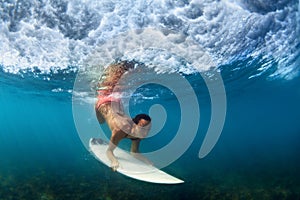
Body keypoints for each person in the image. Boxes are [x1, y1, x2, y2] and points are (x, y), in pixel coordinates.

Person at [95, 61, 152, 171]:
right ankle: (115, 68)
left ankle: (120, 70)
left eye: (148, 128)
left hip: (116, 101)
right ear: (134, 125)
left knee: (116, 84)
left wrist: (147, 162)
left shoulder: (138, 134)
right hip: (103, 102)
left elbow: (134, 152)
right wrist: (114, 161)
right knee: (101, 121)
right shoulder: (120, 129)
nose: (146, 131)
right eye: (143, 127)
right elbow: (109, 151)